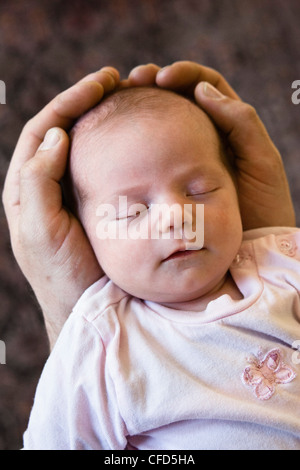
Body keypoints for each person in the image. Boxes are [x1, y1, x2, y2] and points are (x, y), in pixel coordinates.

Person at [2, 62, 298, 450]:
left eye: (200, 189)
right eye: (133, 211)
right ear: (87, 233)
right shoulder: (100, 341)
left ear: (234, 188)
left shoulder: (285, 260)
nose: (176, 215)